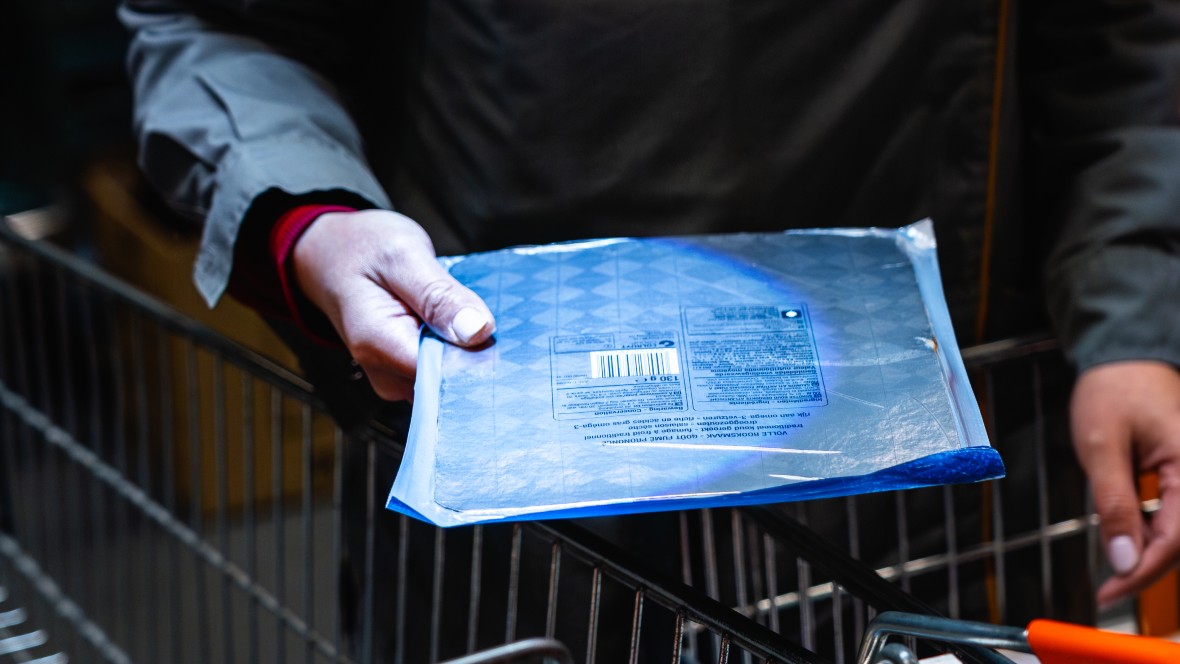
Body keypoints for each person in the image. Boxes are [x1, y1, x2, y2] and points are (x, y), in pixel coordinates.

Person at [120, 0, 1180, 647]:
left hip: (939, 469)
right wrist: (308, 219)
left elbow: (1122, 49)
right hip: (524, 494)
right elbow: (225, 24)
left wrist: (1133, 308)